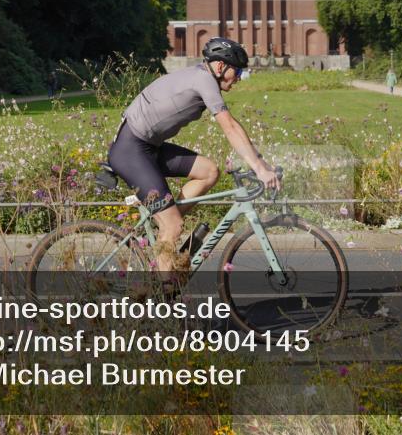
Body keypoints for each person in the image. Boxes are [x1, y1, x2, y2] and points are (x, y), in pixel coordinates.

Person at [107, 37, 280, 279]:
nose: (239, 77)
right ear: (220, 67)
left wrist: (259, 162)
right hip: (131, 150)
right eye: (237, 70)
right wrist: (260, 170)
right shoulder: (204, 80)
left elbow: (234, 128)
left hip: (148, 147)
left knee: (209, 171)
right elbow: (229, 126)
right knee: (173, 225)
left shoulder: (202, 76)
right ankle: (162, 297)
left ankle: (165, 229)